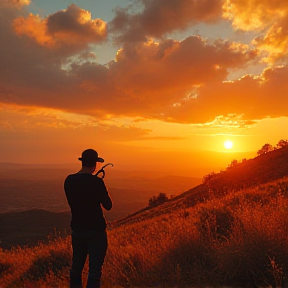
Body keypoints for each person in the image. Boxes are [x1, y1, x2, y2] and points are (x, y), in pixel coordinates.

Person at [64, 149, 113, 288]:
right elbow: (108, 205)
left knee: (76, 269)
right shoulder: (96, 182)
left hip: (78, 230)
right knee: (94, 273)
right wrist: (101, 187)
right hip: (96, 231)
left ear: (82, 162)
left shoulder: (69, 180)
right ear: (95, 164)